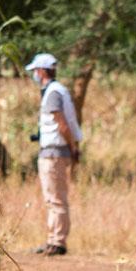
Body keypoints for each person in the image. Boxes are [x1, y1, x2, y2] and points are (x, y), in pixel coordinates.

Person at [25, 52, 82, 256]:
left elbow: (62, 125)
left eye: (35, 71)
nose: (35, 75)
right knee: (53, 197)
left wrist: (73, 147)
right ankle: (53, 240)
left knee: (55, 197)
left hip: (53, 152)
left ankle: (57, 242)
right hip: (55, 150)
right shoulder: (58, 90)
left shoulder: (53, 93)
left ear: (42, 71)